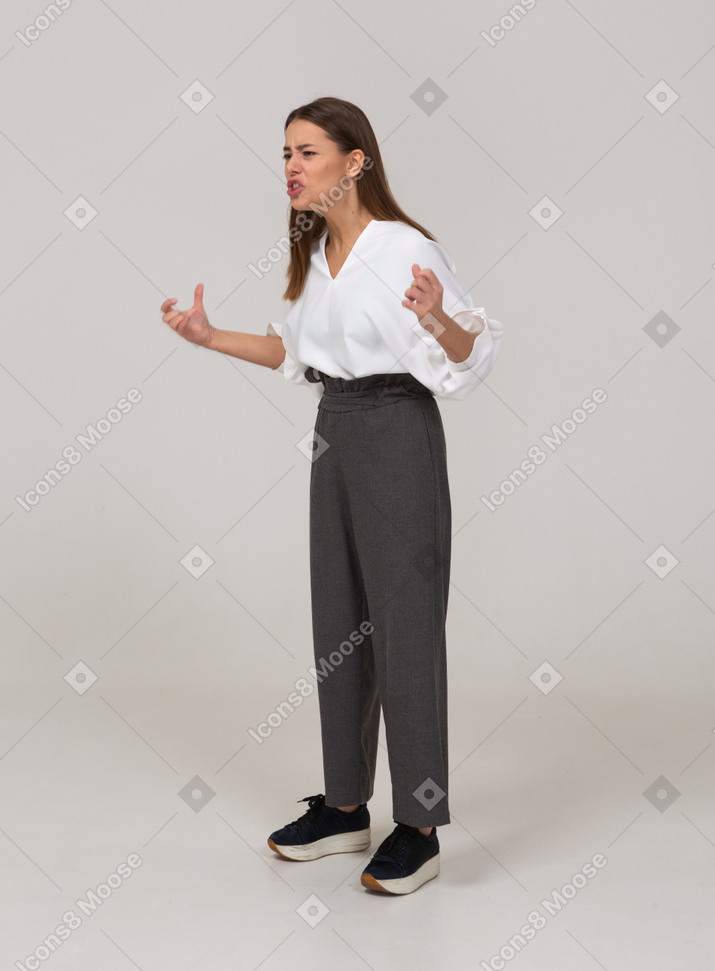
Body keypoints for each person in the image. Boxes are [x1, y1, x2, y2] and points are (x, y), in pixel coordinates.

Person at [160, 96, 503, 895]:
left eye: (306, 152)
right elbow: (292, 349)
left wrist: (436, 317)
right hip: (334, 431)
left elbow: (471, 349)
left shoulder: (403, 247)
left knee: (405, 627)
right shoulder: (314, 253)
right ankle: (347, 807)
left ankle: (417, 825)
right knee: (339, 620)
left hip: (396, 429)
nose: (290, 167)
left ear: (355, 161)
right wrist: (210, 339)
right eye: (283, 153)